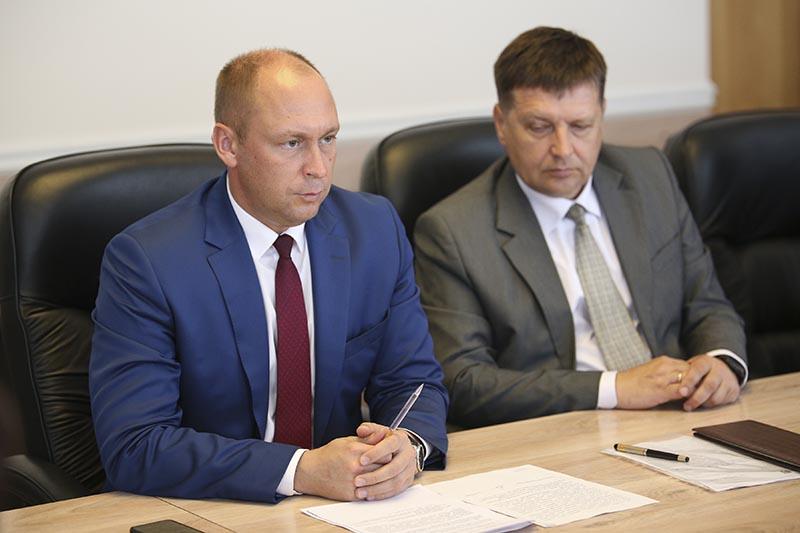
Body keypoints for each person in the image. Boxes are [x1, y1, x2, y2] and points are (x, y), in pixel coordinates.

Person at [89, 49, 448, 503]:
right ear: (228, 145)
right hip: (211, 508)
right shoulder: (147, 260)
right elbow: (136, 445)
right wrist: (300, 470)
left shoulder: (373, 229)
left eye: (328, 139)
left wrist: (407, 447)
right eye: (292, 143)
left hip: (344, 506)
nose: (319, 168)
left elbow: (412, 382)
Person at [413, 27, 747, 429]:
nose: (563, 149)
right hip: (559, 432)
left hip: (680, 414)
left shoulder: (650, 176)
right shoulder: (452, 231)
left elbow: (706, 303)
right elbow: (464, 382)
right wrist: (614, 389)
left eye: (580, 126)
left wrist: (722, 360)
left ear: (601, 114)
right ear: (501, 123)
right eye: (539, 127)